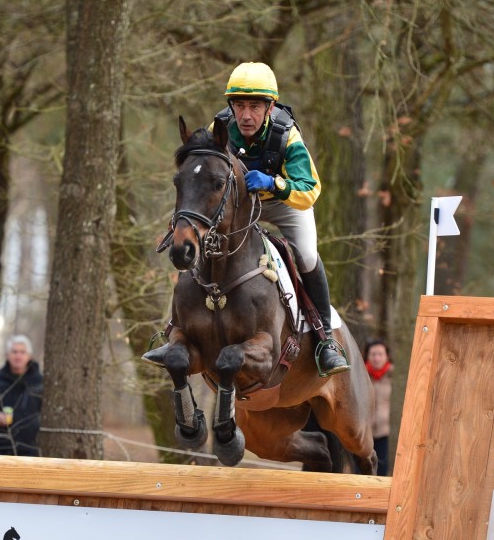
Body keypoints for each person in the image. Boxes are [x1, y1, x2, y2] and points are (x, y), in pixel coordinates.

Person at [143, 61, 349, 376]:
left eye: (255, 106)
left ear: (269, 108)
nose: (246, 115)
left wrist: (273, 183)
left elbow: (310, 190)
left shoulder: (287, 136)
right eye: (239, 106)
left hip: (284, 201)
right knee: (201, 240)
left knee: (306, 254)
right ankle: (173, 329)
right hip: (238, 202)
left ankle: (325, 340)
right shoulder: (219, 130)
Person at [0, 335, 44, 457]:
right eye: (14, 352)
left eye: (22, 352)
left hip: (31, 447)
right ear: (7, 355)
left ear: (29, 356)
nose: (18, 356)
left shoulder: (40, 382)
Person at [363, 339, 392, 476]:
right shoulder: (360, 374)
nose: (376, 358)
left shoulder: (394, 376)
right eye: (373, 354)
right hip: (363, 433)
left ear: (387, 356)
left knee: (382, 471)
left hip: (385, 433)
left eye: (380, 354)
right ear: (367, 356)